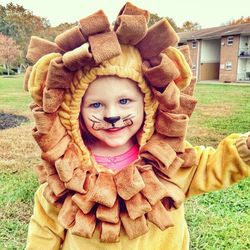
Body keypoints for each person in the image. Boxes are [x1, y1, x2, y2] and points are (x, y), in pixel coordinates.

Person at [24, 2, 250, 250]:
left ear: (148, 105)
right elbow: (43, 233)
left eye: (124, 101)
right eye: (96, 105)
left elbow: (210, 166)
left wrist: (243, 150)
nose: (112, 115)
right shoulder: (66, 172)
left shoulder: (167, 159)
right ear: (73, 111)